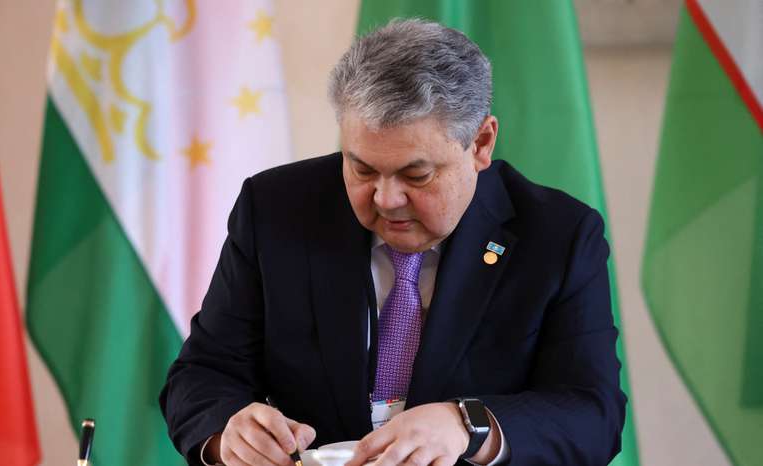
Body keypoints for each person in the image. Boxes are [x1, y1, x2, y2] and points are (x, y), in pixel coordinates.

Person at [160, 19, 626, 466]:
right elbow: (204, 374)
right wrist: (229, 432)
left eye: (416, 175)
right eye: (361, 169)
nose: (386, 199)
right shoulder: (277, 209)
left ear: (481, 144)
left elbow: (592, 414)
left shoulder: (557, 235)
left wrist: (468, 425)